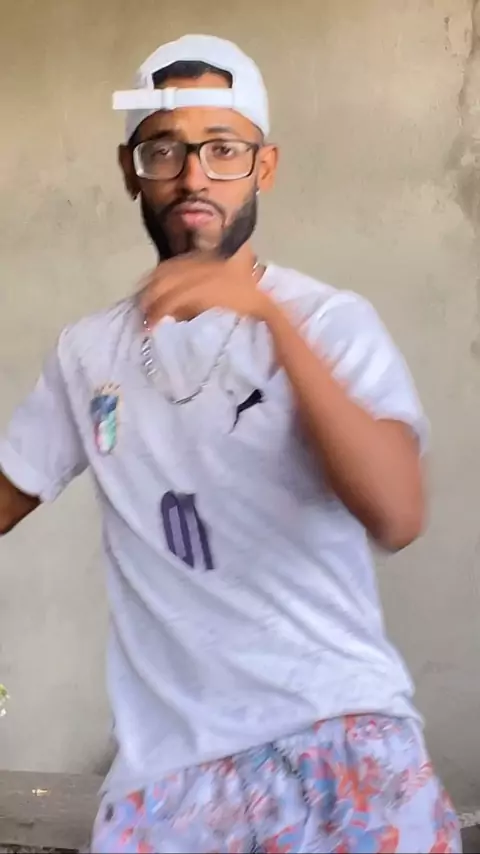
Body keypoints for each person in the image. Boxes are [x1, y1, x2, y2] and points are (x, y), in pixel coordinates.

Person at [0, 33, 460, 854]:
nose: (193, 176)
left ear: (263, 166)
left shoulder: (329, 322)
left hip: (341, 743)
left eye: (223, 149)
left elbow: (398, 512)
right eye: (164, 150)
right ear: (130, 170)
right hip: (168, 782)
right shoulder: (88, 354)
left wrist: (267, 318)